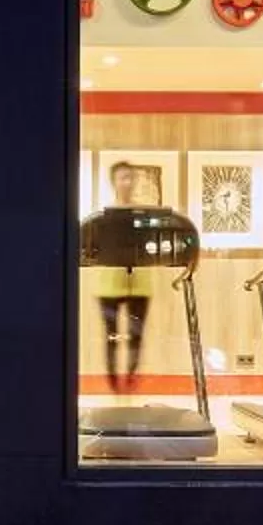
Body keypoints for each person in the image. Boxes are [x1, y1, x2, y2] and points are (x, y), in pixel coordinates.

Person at [94, 160, 164, 387]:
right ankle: (113, 379)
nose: (127, 182)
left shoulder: (144, 214)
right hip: (109, 284)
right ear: (113, 181)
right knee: (111, 335)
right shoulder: (104, 215)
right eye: (122, 177)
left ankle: (131, 376)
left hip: (140, 283)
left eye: (130, 177)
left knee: (136, 334)